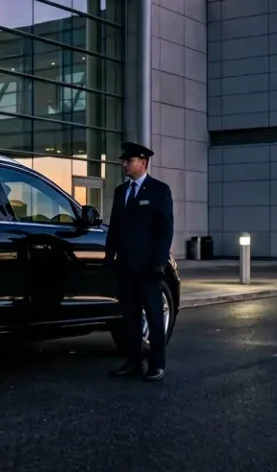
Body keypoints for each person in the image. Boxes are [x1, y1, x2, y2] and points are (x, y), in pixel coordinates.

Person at [104, 141, 174, 382]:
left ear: (143, 163)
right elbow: (114, 227)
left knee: (154, 316)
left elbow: (165, 230)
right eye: (124, 160)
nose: (124, 164)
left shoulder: (158, 190)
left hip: (148, 267)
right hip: (126, 267)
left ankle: (157, 364)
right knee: (130, 317)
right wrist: (109, 256)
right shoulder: (121, 191)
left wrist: (159, 262)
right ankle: (134, 362)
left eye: (129, 161)